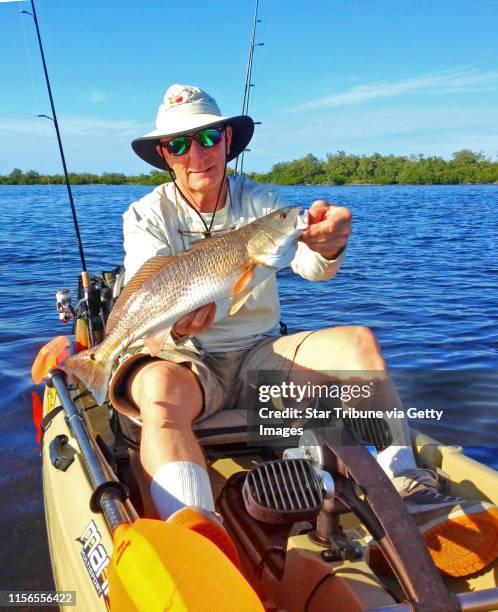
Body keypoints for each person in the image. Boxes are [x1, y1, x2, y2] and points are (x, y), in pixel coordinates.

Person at [109, 84, 498, 578]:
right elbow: (149, 277)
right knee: (158, 390)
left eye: (207, 136)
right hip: (186, 358)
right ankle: (197, 534)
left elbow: (313, 267)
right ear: (164, 154)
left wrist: (330, 243)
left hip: (258, 355)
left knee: (359, 343)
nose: (197, 153)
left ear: (227, 140)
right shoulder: (146, 214)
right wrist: (171, 324)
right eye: (180, 144)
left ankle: (408, 488)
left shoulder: (266, 204)